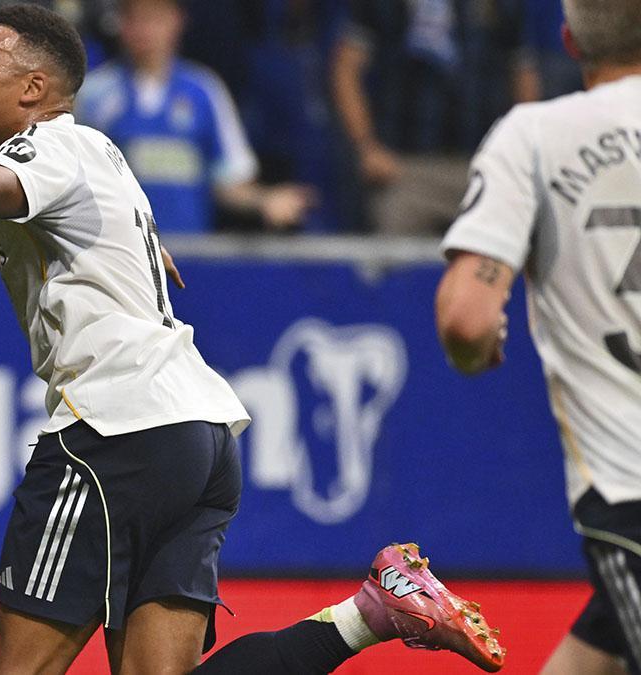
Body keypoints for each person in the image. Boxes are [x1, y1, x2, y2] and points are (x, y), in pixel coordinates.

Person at [0, 4, 502, 672]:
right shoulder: (104, 159)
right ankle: (370, 613)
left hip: (114, 436)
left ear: (33, 89)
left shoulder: (51, 147)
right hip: (197, 436)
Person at [435, 1, 641, 672]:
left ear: (568, 38)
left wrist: (479, 340)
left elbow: (466, 317)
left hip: (628, 486)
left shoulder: (533, 135)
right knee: (601, 641)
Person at [76, 0, 313, 234]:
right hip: (120, 256)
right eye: (134, 19)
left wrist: (265, 201)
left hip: (190, 256)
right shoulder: (93, 94)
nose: (143, 30)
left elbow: (229, 180)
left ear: (177, 21)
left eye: (154, 19)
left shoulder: (205, 92)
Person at [331, 0, 539, 234]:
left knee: (495, 262)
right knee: (396, 264)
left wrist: (518, 153)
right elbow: (347, 68)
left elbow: (523, 73)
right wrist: (367, 147)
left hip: (483, 168)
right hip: (405, 170)